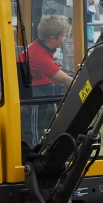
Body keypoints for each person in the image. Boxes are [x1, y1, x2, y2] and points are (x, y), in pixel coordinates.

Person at [18, 15, 74, 147]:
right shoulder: (39, 55)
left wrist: (52, 64)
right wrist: (86, 88)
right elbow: (66, 80)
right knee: (37, 128)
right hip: (30, 94)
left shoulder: (40, 45)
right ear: (52, 39)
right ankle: (35, 149)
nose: (65, 39)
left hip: (37, 84)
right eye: (64, 35)